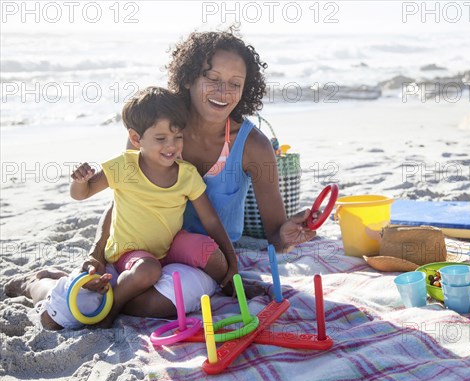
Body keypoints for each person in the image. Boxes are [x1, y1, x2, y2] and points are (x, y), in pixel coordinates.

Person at [6, 29, 317, 322]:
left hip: (197, 258)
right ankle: (36, 284)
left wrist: (287, 236)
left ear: (246, 88)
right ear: (189, 78)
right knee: (72, 308)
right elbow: (122, 198)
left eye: (235, 83)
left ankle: (83, 292)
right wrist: (96, 254)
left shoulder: (253, 146)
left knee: (161, 305)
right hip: (135, 249)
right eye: (212, 78)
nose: (224, 92)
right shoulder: (154, 128)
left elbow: (276, 235)